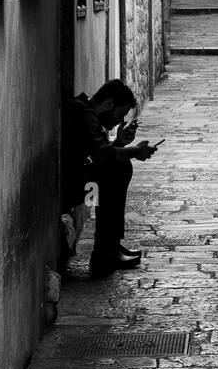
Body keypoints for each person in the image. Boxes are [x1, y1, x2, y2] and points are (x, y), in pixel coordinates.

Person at [64, 79, 158, 279]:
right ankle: (105, 252)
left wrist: (120, 143)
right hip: (75, 187)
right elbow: (101, 156)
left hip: (83, 183)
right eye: (120, 114)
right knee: (117, 170)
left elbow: (99, 152)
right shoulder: (83, 113)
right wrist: (134, 151)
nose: (119, 120)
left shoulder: (87, 113)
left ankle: (110, 246)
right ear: (108, 104)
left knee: (117, 168)